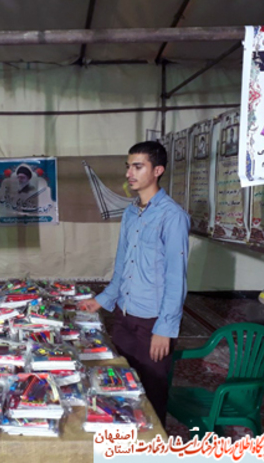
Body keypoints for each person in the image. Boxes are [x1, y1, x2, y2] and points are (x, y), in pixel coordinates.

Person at [78, 141, 190, 426]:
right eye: (128, 166)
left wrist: (164, 329)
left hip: (152, 323)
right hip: (124, 317)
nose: (129, 173)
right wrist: (102, 300)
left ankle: (152, 447)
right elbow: (122, 266)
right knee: (121, 389)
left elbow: (176, 278)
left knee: (152, 394)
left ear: (157, 171)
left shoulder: (172, 216)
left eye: (138, 167)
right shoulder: (130, 212)